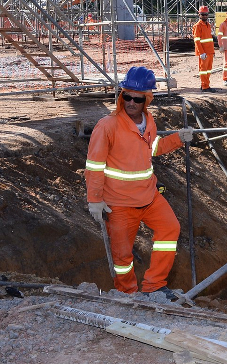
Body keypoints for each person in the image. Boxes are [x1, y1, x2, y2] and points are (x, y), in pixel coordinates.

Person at [85, 66, 193, 302]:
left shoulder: (149, 121)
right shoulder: (107, 126)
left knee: (170, 229)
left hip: (149, 196)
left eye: (137, 98)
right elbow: (94, 165)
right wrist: (95, 200)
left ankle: (154, 285)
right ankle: (128, 295)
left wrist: (177, 139)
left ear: (148, 99)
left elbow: (152, 148)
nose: (131, 102)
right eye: (127, 96)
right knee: (122, 257)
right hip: (119, 203)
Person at [193, 6, 216, 92]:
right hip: (204, 52)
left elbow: (209, 39)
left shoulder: (208, 25)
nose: (204, 16)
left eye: (206, 14)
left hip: (209, 51)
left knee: (208, 69)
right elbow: (197, 41)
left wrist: (212, 51)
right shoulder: (197, 26)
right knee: (203, 70)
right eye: (203, 14)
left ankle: (206, 84)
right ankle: (204, 86)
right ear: (199, 14)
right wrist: (201, 52)